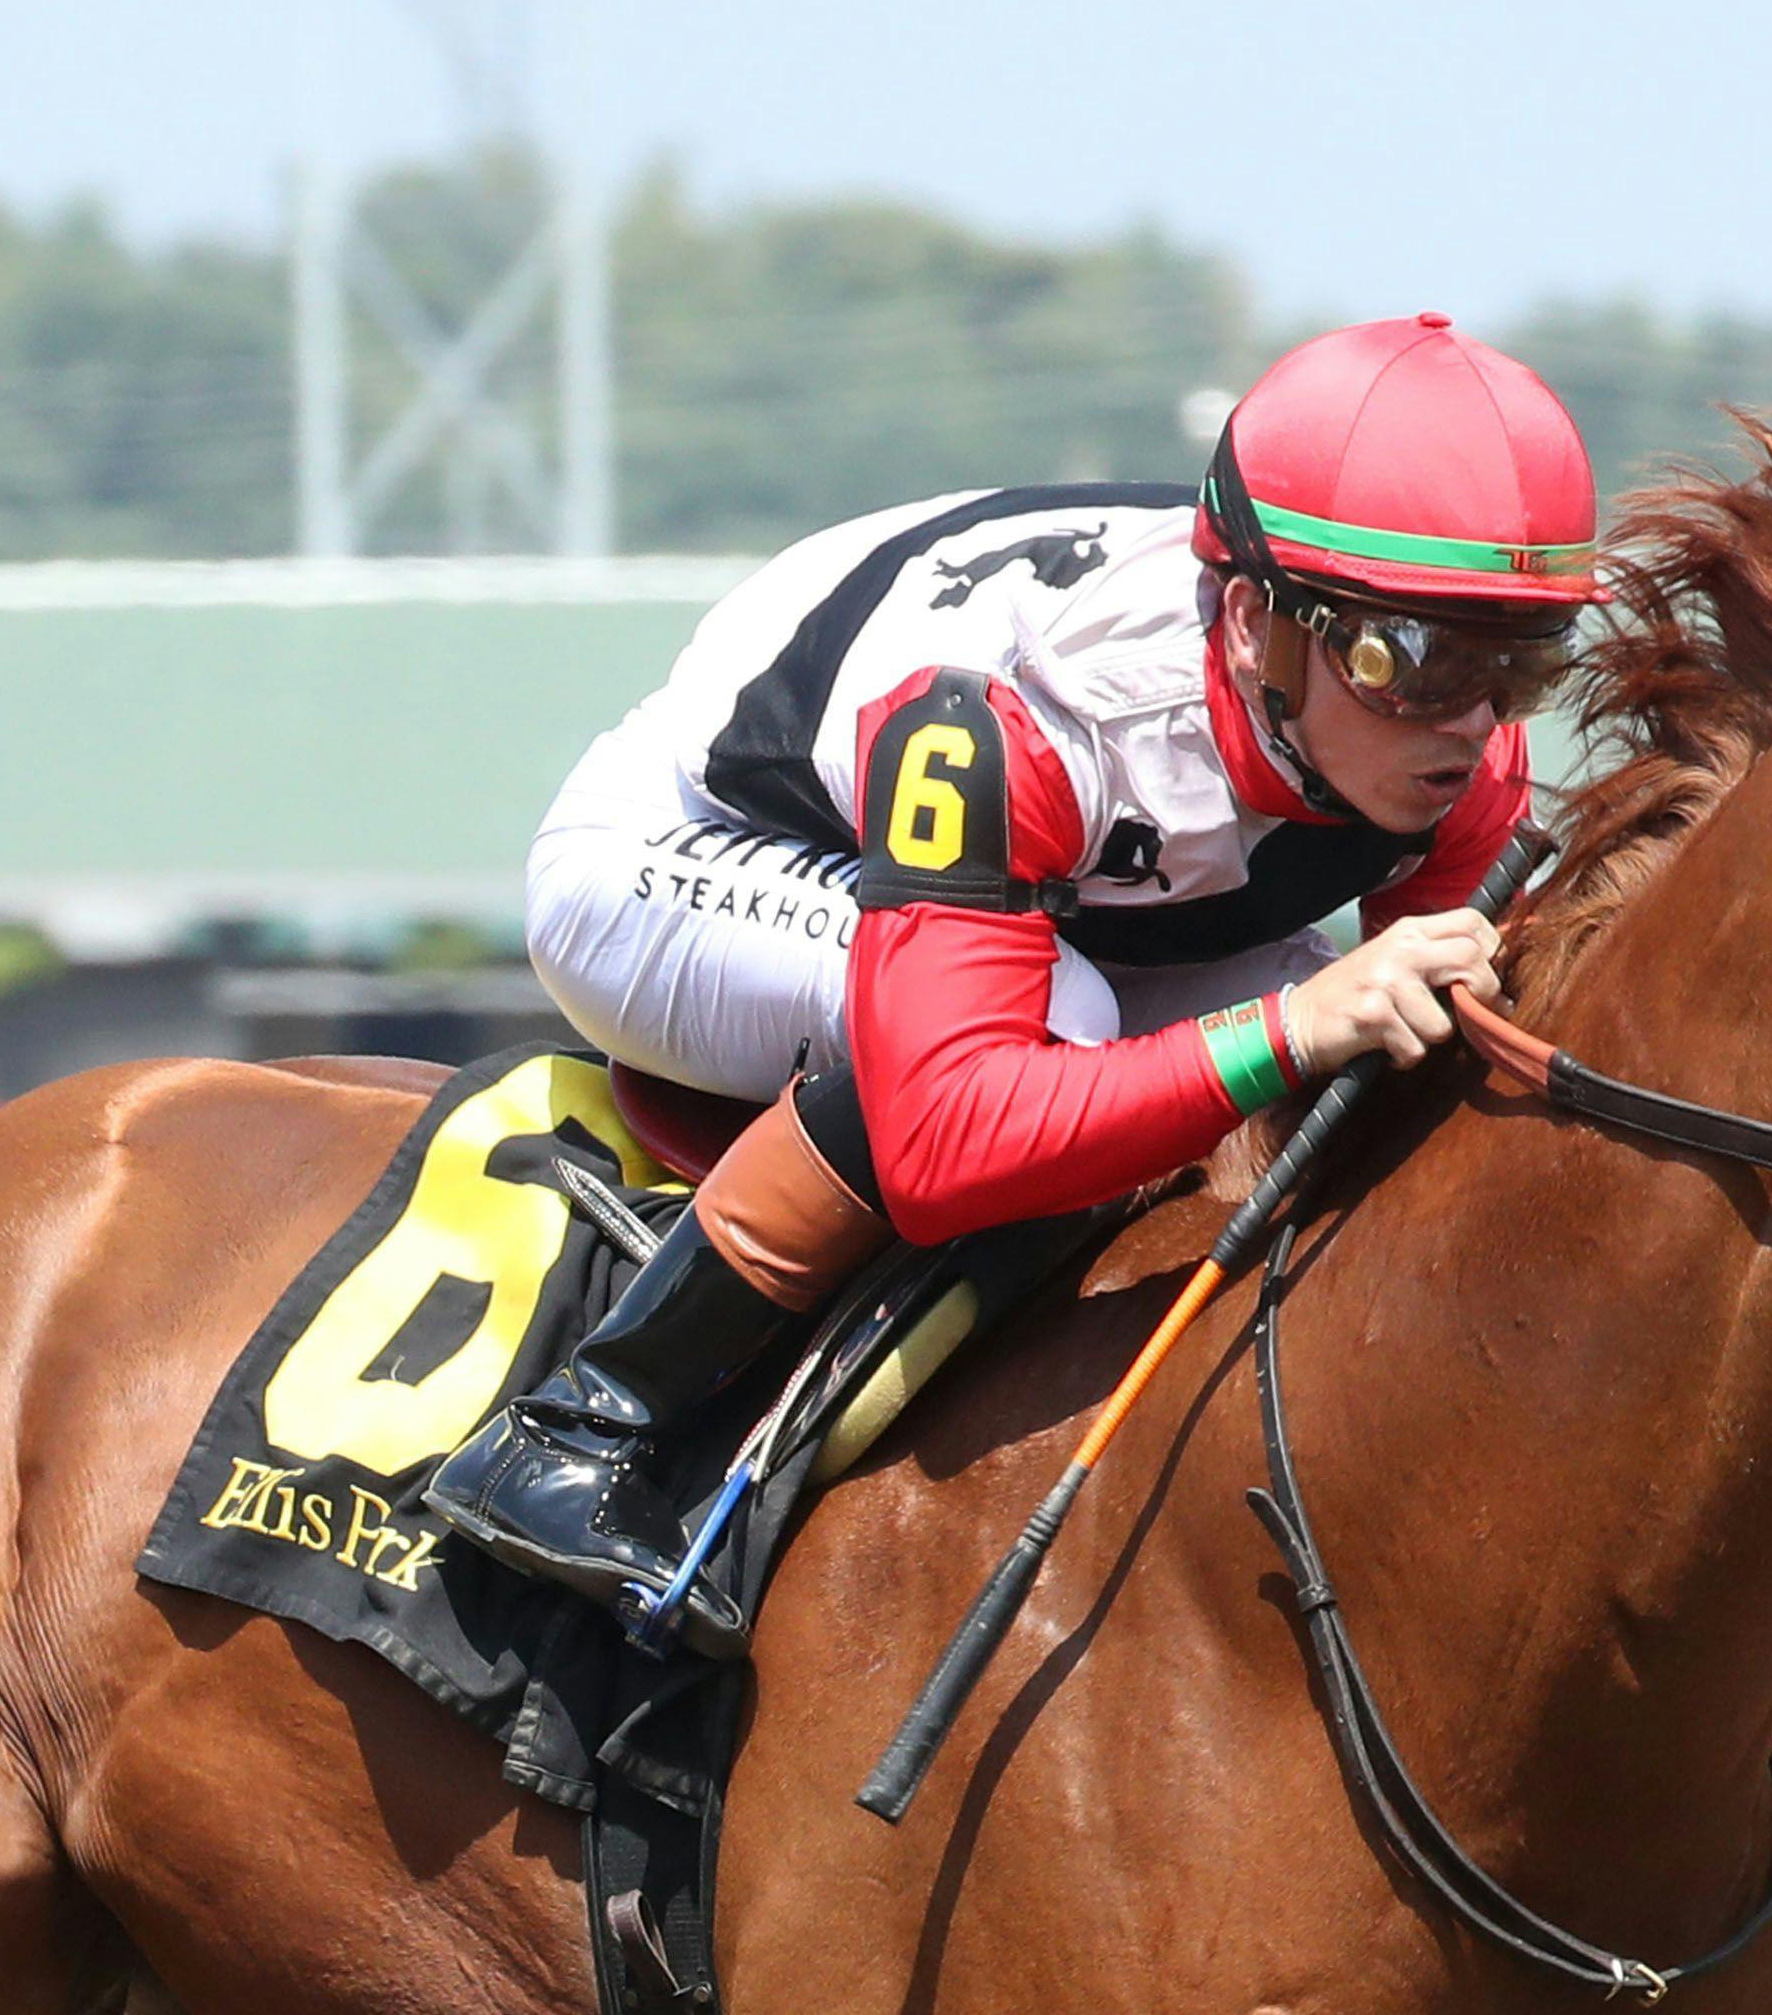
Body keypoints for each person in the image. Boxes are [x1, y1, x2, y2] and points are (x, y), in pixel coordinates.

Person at [426, 313, 1598, 1647]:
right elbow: (947, 1138)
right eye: (1412, 659)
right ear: (1254, 623)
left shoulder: (1455, 748)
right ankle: (585, 1426)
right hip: (682, 850)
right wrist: (1291, 1027)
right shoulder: (1030, 715)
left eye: (1520, 661)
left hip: (1056, 880)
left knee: (1359, 1013)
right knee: (1094, 1020)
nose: (1471, 723)